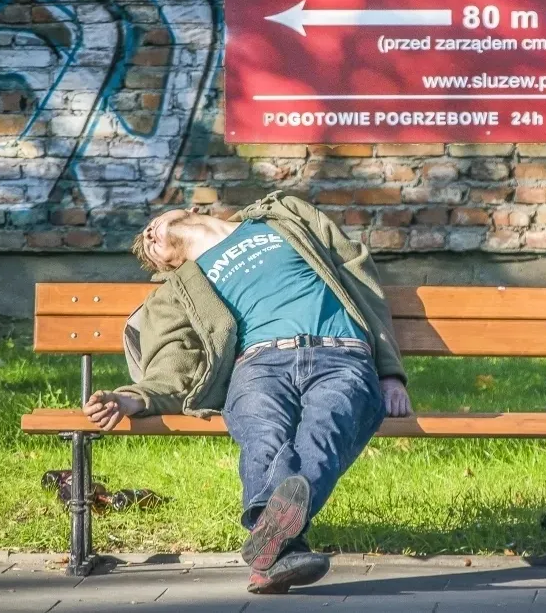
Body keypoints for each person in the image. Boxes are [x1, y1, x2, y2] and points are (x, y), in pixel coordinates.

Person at [81, 191, 412, 594]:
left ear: (190, 211)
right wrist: (133, 397)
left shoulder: (284, 216)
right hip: (258, 365)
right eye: (148, 246)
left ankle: (269, 545)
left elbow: (358, 274)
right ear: (167, 264)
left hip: (341, 354)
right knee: (262, 435)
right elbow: (175, 359)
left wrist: (390, 373)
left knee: (327, 426)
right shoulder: (180, 289)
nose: (149, 235)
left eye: (152, 226)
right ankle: (275, 545)